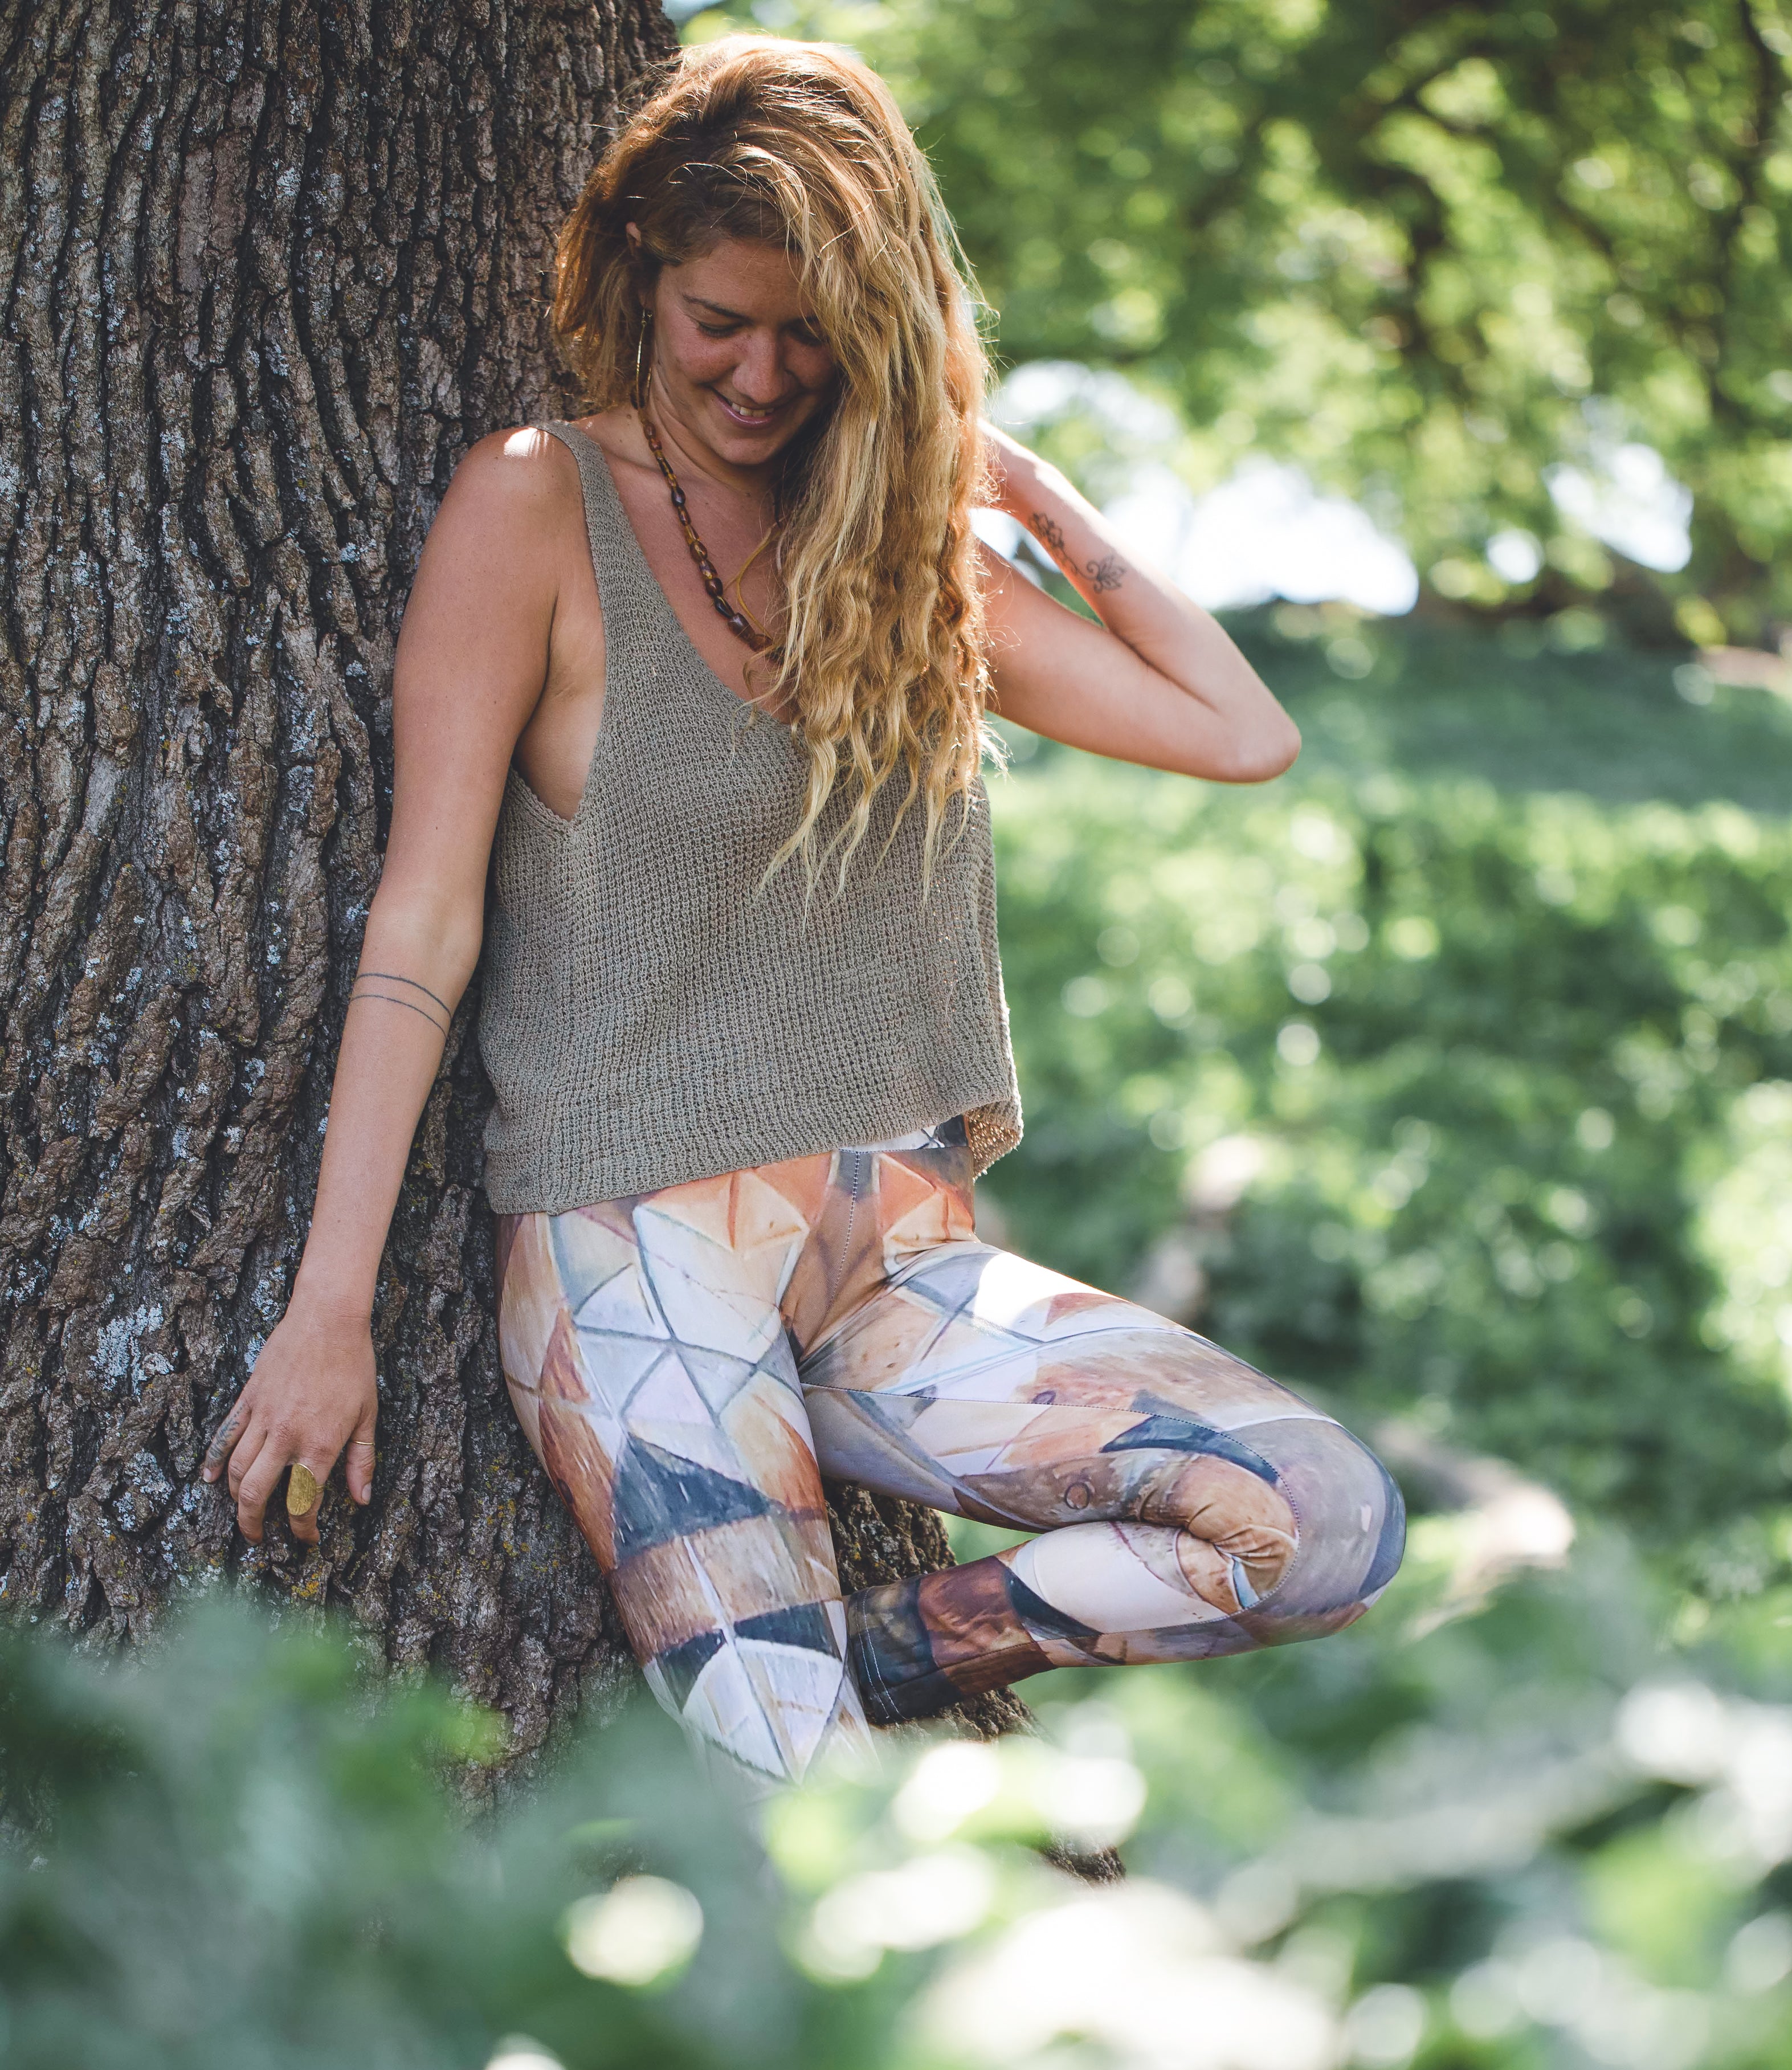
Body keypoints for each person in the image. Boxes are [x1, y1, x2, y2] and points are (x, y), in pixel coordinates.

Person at [202, 34, 1404, 1782]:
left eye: (812, 329)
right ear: (638, 280)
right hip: (635, 1258)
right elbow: (421, 930)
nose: (761, 375)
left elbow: (1244, 731)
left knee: (1325, 1519)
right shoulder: (537, 502)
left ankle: (851, 1655)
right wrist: (332, 1307)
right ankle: (791, 1695)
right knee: (809, 1807)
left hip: (899, 1266)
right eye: (718, 322)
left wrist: (1026, 490)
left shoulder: (899, 558)